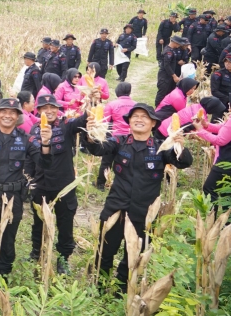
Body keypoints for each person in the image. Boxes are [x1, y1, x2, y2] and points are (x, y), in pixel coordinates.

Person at [83, 104, 192, 293]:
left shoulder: (161, 147)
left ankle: (121, 290)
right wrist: (91, 135)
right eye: (135, 116)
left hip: (144, 211)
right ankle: (99, 287)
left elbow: (184, 162)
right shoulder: (120, 141)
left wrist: (179, 145)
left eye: (144, 117)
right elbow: (98, 149)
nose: (139, 119)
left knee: (132, 254)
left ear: (153, 123)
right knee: (106, 250)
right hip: (116, 207)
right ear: (129, 121)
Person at [0, 98, 52, 286]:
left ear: (18, 116)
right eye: (3, 111)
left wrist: (46, 143)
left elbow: (44, 162)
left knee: (7, 239)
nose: (8, 115)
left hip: (12, 197)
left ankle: (3, 275)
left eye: (12, 112)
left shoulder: (26, 139)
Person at [27, 95, 87, 274]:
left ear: (57, 109)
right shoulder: (34, 130)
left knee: (65, 223)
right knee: (38, 221)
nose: (49, 111)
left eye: (52, 107)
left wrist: (91, 101)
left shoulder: (67, 126)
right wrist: (27, 179)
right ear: (38, 111)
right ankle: (36, 252)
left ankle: (63, 259)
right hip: (41, 184)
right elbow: (30, 158)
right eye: (44, 108)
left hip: (64, 185)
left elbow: (84, 119)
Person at [95, 83, 135, 190]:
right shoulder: (136, 105)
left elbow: (104, 121)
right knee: (126, 162)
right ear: (129, 92)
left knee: (107, 161)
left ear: (117, 92)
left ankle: (101, 184)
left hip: (115, 137)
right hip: (131, 138)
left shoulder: (112, 104)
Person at [194, 102, 231, 208]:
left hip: (224, 162)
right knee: (226, 192)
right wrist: (206, 125)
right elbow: (224, 129)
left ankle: (209, 220)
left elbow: (220, 140)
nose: (228, 105)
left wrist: (200, 130)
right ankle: (227, 223)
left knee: (209, 190)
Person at [158, 97, 225, 139]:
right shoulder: (200, 117)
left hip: (163, 125)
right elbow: (203, 131)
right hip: (168, 133)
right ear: (212, 108)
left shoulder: (197, 106)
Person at [155, 36, 191, 107]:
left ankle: (164, 108)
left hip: (170, 76)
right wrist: (174, 76)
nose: (179, 45)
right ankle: (157, 109)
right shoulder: (168, 51)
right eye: (178, 44)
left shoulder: (172, 50)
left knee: (169, 92)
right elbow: (167, 66)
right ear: (174, 42)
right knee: (162, 93)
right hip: (165, 76)